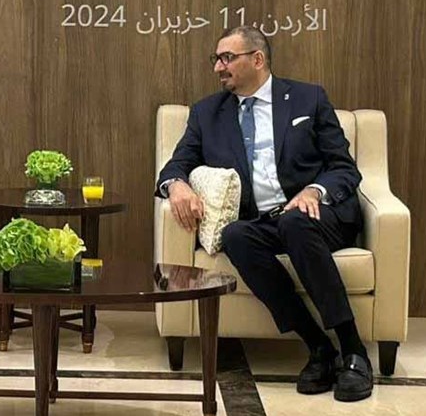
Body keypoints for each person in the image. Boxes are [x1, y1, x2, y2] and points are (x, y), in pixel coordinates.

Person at [156, 26, 372, 402]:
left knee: (295, 221)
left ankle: (354, 350)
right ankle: (318, 347)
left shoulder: (308, 99)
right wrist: (176, 186)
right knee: (235, 235)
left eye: (227, 58)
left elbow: (344, 167)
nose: (218, 67)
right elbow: (176, 164)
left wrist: (314, 191)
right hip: (264, 222)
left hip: (319, 216)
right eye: (216, 59)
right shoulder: (207, 113)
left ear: (257, 59)